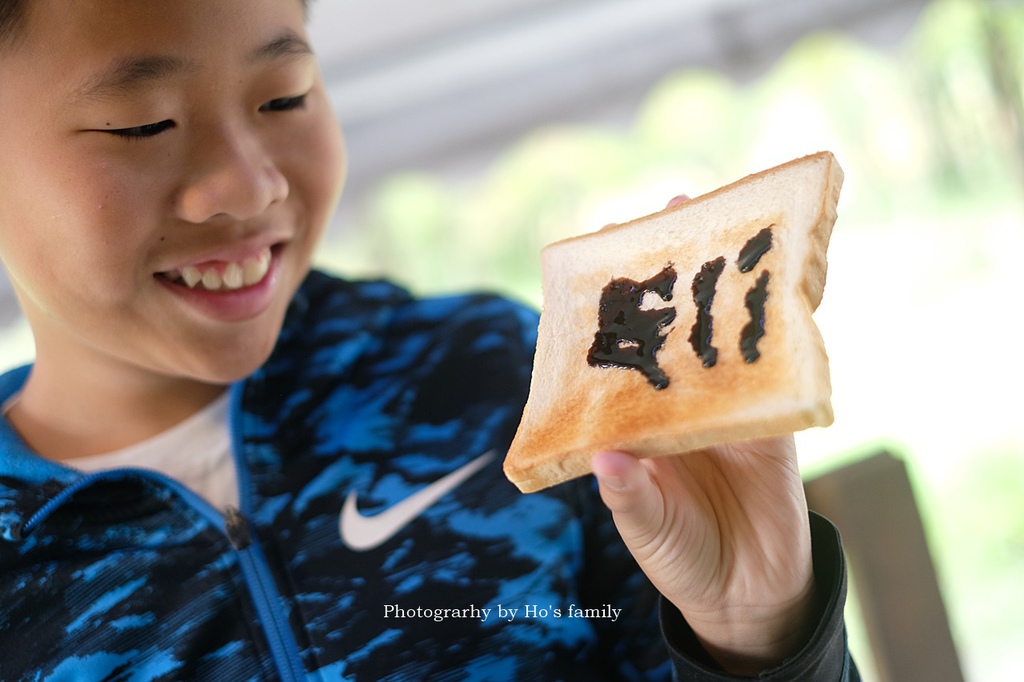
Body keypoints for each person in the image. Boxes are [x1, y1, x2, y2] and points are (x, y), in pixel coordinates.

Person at [0, 1, 859, 679]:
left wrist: (761, 639)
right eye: (142, 123)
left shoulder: (503, 387)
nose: (249, 185)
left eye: (284, 97)